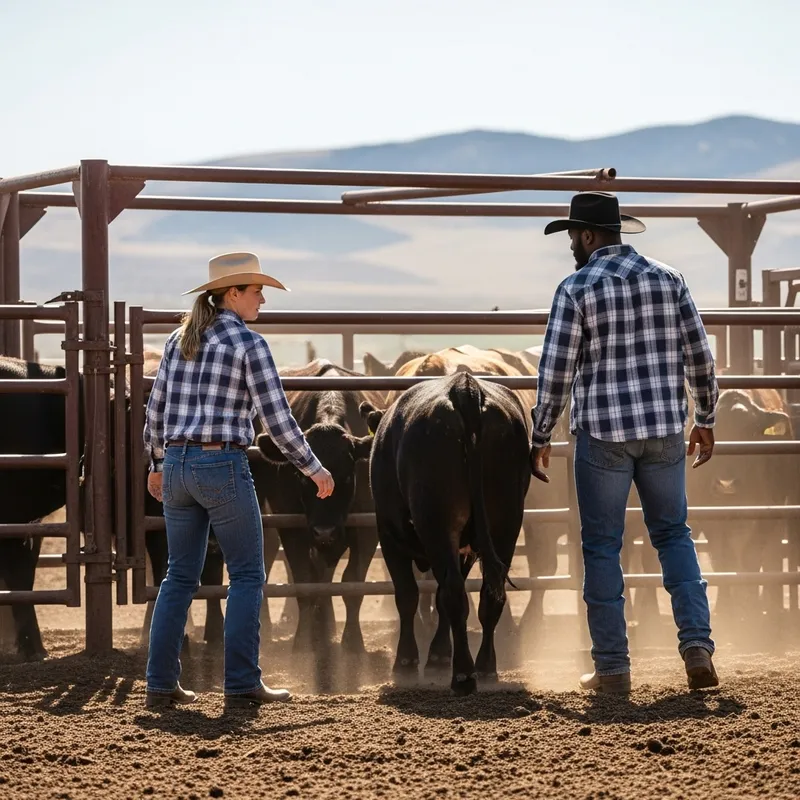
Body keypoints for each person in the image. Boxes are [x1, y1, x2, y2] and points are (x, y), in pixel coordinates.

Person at [530, 192, 719, 694]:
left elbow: (555, 372)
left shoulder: (576, 288)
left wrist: (540, 432)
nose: (573, 244)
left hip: (604, 436)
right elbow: (700, 356)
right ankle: (697, 646)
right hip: (663, 430)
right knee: (674, 535)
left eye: (573, 235)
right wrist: (705, 417)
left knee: (601, 547)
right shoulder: (669, 279)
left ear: (589, 236)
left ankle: (613, 669)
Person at [143, 252, 335, 709]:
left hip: (175, 465)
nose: (263, 299)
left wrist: (154, 463)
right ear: (233, 294)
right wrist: (313, 467)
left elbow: (156, 409)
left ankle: (160, 683)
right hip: (221, 464)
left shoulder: (177, 341)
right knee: (248, 574)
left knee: (178, 577)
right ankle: (242, 682)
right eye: (256, 291)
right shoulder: (249, 344)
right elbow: (278, 419)